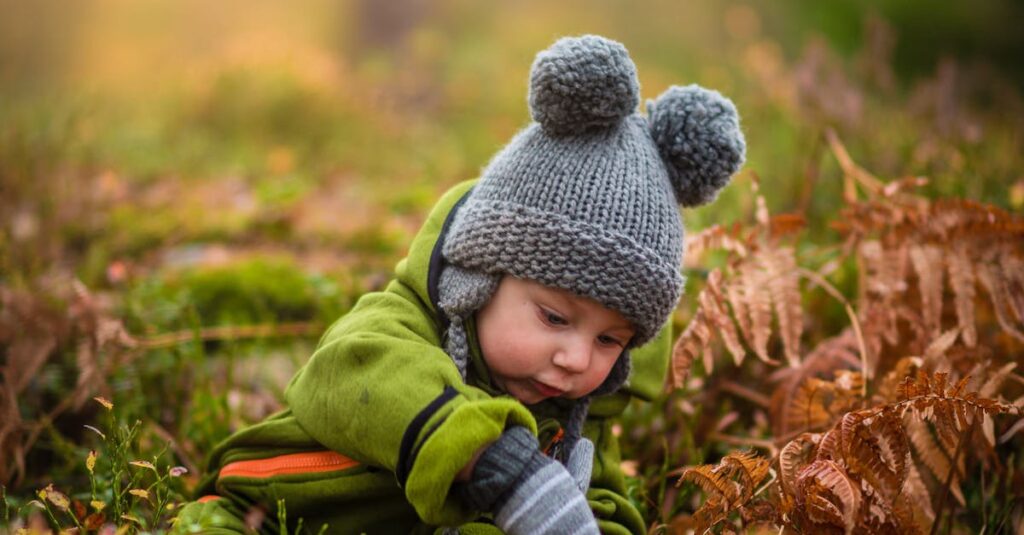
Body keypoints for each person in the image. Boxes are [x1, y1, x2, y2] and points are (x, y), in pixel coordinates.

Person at [172, 34, 745, 534]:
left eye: (609, 341)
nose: (576, 358)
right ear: (479, 278)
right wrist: (492, 461)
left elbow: (604, 508)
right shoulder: (399, 326)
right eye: (554, 317)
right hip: (263, 510)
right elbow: (345, 374)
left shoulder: (577, 417)